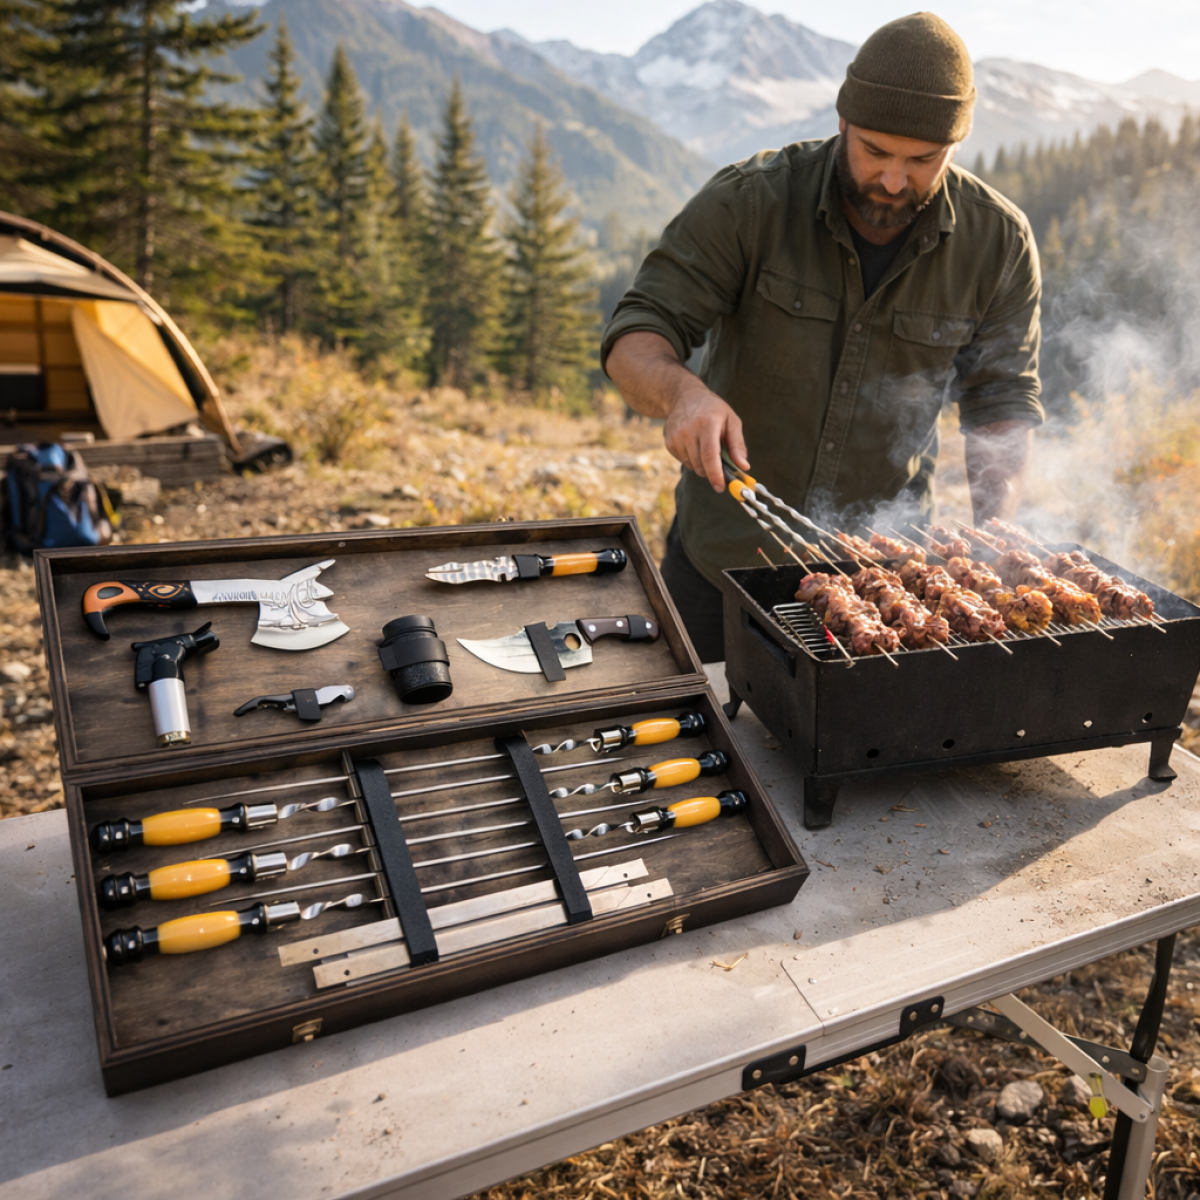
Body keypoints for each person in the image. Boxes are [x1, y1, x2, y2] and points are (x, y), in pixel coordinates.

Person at [602, 12, 1044, 662]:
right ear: (842, 123)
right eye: (875, 152)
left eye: (922, 161)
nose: (894, 181)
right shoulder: (750, 202)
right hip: (723, 561)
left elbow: (1001, 402)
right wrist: (683, 395)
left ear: (955, 145)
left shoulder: (998, 243)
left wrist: (997, 535)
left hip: (882, 578)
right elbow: (635, 336)